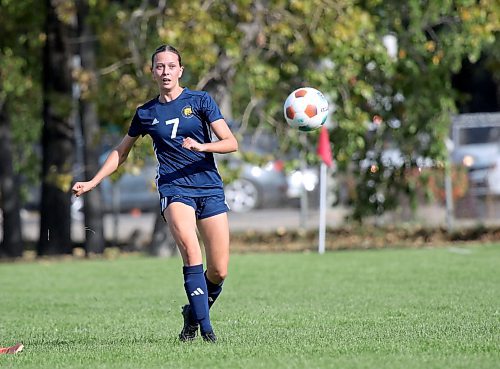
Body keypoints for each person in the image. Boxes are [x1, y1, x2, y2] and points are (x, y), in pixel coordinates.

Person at [72, 44, 238, 343]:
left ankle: (192, 315)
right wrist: (93, 181)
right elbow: (121, 152)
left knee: (220, 270)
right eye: (160, 67)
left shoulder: (200, 101)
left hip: (209, 187)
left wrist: (203, 146)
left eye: (171, 66)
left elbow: (230, 142)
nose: (165, 72)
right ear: (152, 72)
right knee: (190, 251)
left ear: (180, 70)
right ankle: (207, 331)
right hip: (174, 189)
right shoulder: (146, 112)